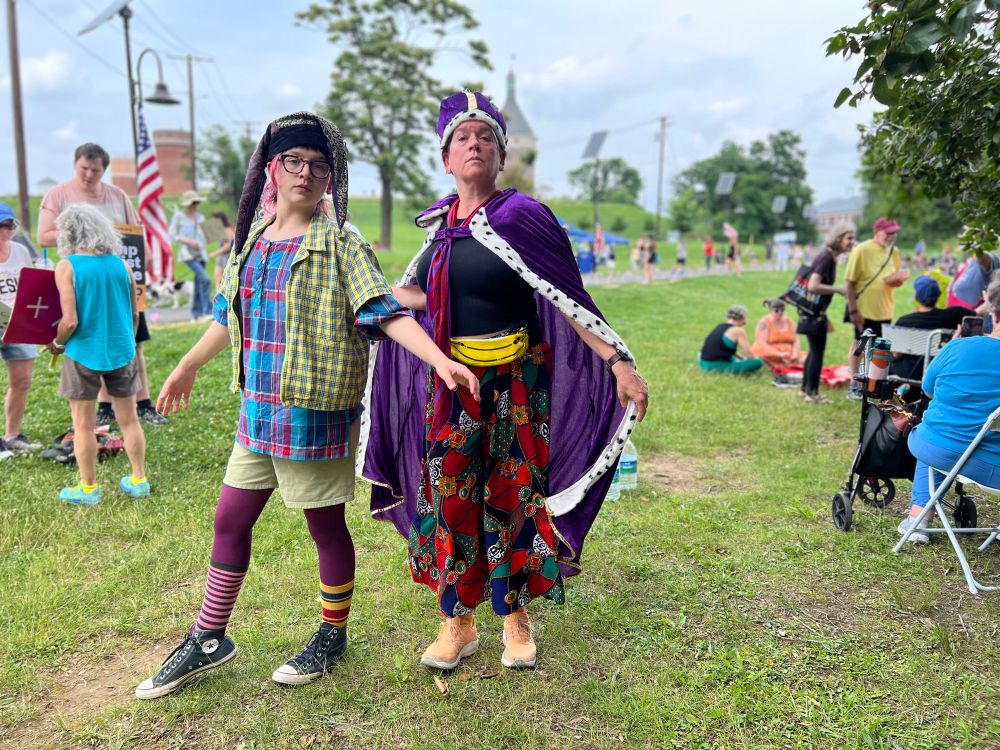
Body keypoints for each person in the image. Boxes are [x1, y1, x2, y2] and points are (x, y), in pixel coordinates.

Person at [135, 112, 479, 700]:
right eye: (294, 162)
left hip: (314, 415)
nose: (305, 174)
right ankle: (209, 636)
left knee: (324, 526)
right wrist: (188, 364)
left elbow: (384, 311)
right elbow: (226, 315)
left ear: (329, 179)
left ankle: (331, 633)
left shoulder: (342, 243)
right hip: (258, 414)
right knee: (229, 519)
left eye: (319, 167)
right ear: (273, 169)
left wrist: (438, 360)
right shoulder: (251, 241)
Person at [362, 91, 649, 672]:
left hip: (517, 382)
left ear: (501, 155)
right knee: (451, 494)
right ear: (446, 158)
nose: (474, 144)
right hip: (453, 385)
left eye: (485, 137)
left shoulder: (524, 217)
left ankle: (514, 615)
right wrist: (369, 293)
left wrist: (618, 361)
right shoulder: (440, 228)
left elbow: (568, 299)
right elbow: (419, 294)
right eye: (462, 138)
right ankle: (458, 621)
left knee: (513, 494)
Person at [37, 142, 165, 426]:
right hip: (83, 281)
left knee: (133, 341)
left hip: (119, 274)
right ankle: (104, 407)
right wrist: (86, 234)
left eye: (95, 170)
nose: (88, 174)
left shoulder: (117, 195)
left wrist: (145, 254)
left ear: (103, 170)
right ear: (75, 164)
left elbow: (136, 233)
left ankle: (143, 402)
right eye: (84, 168)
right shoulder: (58, 194)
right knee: (90, 342)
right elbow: (43, 235)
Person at [46, 204, 148, 504]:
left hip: (82, 353)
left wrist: (57, 344)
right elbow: (134, 316)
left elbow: (69, 322)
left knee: (83, 425)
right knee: (129, 420)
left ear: (68, 234)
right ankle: (139, 480)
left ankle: (89, 489)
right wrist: (126, 342)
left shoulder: (67, 266)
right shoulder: (122, 265)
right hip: (123, 351)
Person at [897, 280, 1000, 545]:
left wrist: (952, 347)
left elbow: (928, 390)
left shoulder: (958, 347)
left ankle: (920, 518)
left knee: (937, 432)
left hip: (939, 448)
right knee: (946, 435)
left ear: (992, 312)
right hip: (994, 467)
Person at [844, 217, 909, 401]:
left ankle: (872, 384)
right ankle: (855, 385)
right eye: (888, 233)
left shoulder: (894, 251)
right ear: (876, 232)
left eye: (894, 233)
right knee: (859, 346)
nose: (892, 236)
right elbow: (849, 282)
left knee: (878, 349)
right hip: (863, 309)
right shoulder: (861, 250)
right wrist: (853, 310)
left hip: (884, 309)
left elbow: (892, 277)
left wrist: (896, 281)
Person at [0, 202, 41, 458]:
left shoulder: (20, 251)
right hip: (4, 319)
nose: (5, 230)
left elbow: (30, 285)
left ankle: (12, 435)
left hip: (18, 323)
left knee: (22, 380)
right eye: (0, 225)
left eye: (9, 225)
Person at [798, 225, 852, 404]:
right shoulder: (827, 258)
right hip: (815, 314)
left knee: (814, 350)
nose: (851, 242)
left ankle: (805, 389)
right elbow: (813, 285)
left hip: (812, 312)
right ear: (838, 239)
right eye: (848, 238)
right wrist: (838, 289)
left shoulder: (827, 256)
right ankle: (812, 393)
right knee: (817, 352)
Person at [890, 276, 969, 382]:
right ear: (938, 296)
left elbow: (896, 354)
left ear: (916, 297)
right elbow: (977, 313)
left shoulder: (905, 321)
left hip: (908, 376)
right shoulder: (954, 314)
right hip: (937, 374)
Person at [170, 191, 212, 320]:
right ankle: (208, 311)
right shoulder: (179, 216)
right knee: (205, 280)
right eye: (193, 202)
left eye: (197, 202)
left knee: (199, 282)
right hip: (188, 253)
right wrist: (188, 241)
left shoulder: (200, 217)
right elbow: (172, 235)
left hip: (201, 253)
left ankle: (196, 314)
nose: (195, 205)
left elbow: (206, 235)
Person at [698, 304, 762, 374]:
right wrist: (756, 359)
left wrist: (742, 358)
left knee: (733, 358)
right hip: (715, 367)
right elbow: (749, 355)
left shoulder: (719, 326)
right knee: (758, 362)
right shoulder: (738, 331)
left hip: (702, 364)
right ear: (742, 317)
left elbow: (722, 349)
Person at [751, 299, 806, 370]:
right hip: (769, 352)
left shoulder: (789, 321)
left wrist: (795, 353)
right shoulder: (764, 323)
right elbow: (762, 343)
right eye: (776, 311)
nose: (780, 312)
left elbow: (796, 341)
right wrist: (779, 354)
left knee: (807, 359)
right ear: (770, 310)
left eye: (782, 310)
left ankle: (794, 365)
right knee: (770, 363)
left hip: (787, 352)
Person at [209, 211, 235, 291]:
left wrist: (215, 253)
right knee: (217, 277)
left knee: (223, 279)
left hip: (227, 256)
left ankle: (223, 296)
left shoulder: (227, 230)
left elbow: (227, 246)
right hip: (222, 257)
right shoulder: (222, 229)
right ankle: (218, 296)